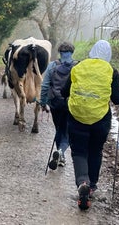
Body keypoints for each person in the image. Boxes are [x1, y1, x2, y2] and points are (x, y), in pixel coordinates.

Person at [61, 40, 119, 211]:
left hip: (76, 117)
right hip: (100, 120)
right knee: (95, 151)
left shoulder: (78, 67)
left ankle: (82, 181)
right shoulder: (111, 71)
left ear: (91, 52)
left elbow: (64, 92)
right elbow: (117, 99)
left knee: (79, 151)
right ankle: (91, 186)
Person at [39, 42, 77, 170]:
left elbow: (45, 86)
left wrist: (43, 102)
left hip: (55, 104)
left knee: (58, 130)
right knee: (67, 132)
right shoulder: (77, 66)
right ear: (72, 52)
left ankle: (60, 156)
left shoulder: (52, 66)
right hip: (71, 105)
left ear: (60, 53)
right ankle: (61, 152)